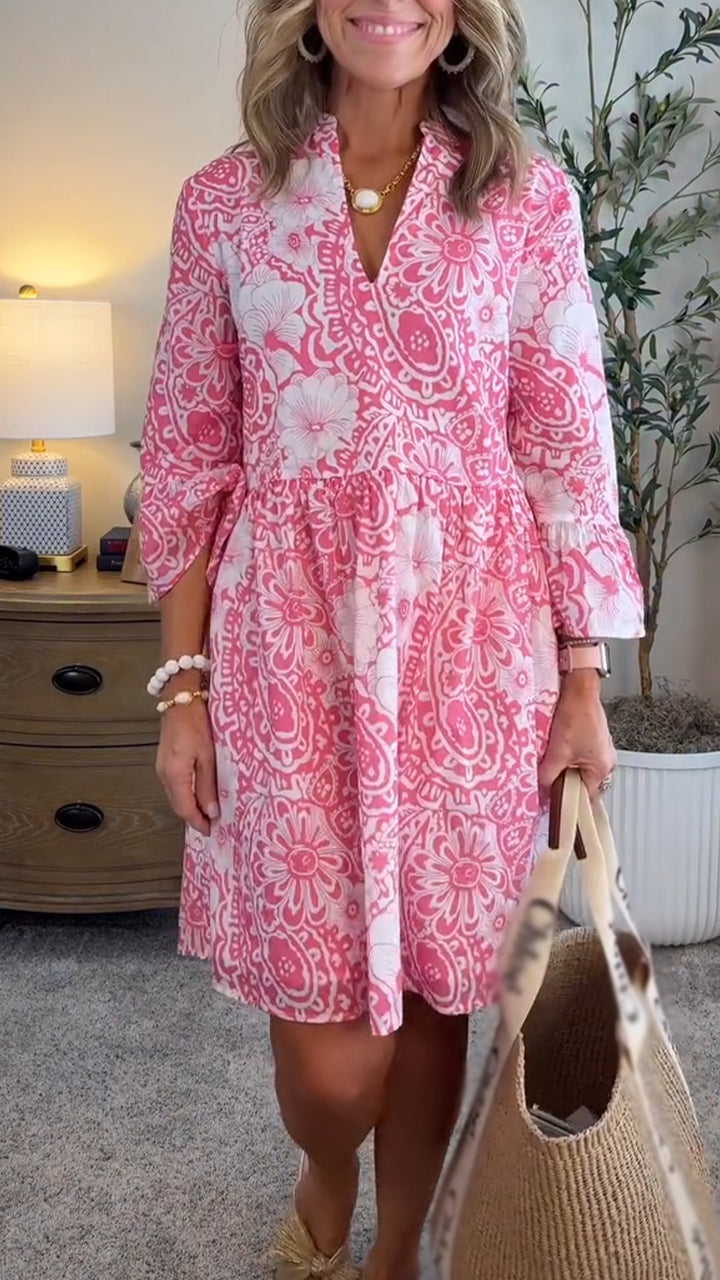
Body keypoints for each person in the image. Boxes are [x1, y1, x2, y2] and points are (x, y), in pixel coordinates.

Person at [139, 0, 644, 1273]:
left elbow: (567, 450)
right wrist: (183, 690)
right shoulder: (224, 203)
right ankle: (326, 1170)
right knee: (330, 1063)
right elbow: (190, 457)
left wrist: (583, 681)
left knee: (434, 991)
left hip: (472, 650)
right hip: (286, 654)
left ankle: (397, 1247)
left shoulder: (525, 200)